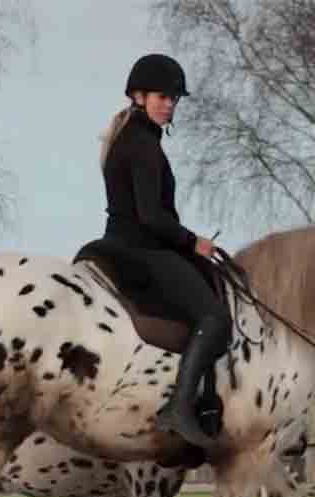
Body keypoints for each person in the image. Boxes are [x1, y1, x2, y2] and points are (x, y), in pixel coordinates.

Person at [94, 53, 230, 449]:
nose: (168, 104)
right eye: (161, 96)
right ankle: (179, 407)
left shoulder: (131, 138)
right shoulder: (143, 145)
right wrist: (194, 242)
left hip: (120, 241)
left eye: (173, 98)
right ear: (138, 96)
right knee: (215, 317)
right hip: (141, 249)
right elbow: (152, 217)